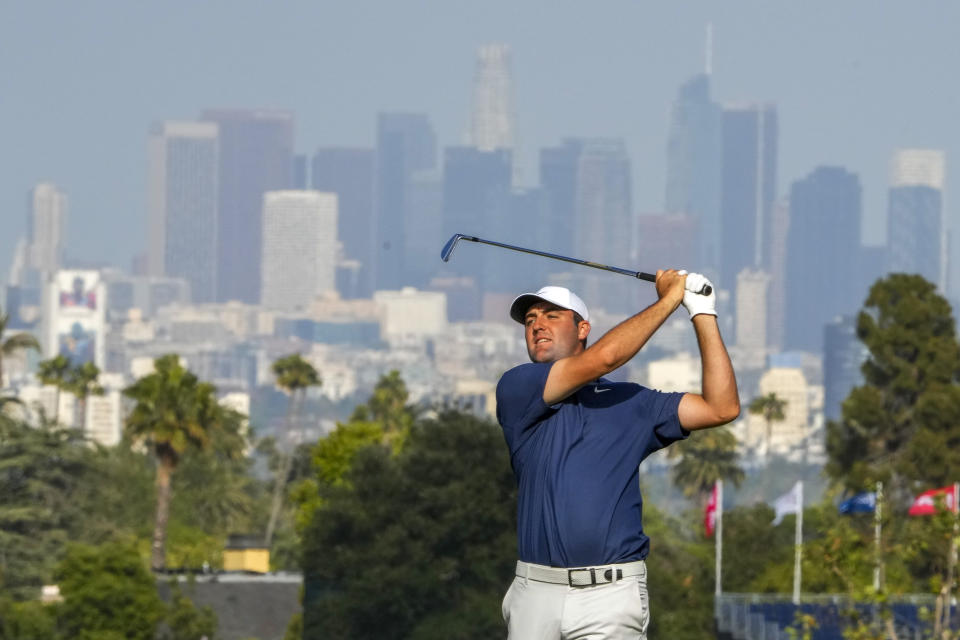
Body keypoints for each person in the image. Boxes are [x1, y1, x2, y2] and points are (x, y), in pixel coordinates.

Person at [496, 270, 739, 639]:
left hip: (610, 595)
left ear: (582, 329)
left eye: (551, 315)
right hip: (535, 592)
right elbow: (605, 357)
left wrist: (701, 311)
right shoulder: (519, 386)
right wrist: (669, 299)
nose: (537, 325)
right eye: (530, 319)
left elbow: (721, 407)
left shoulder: (632, 403)